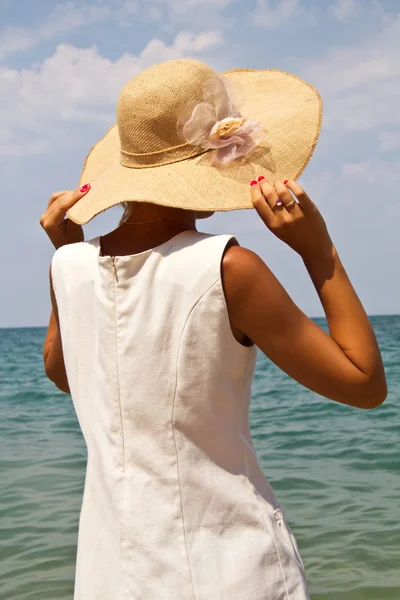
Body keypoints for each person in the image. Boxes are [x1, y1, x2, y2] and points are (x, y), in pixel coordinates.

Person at [40, 58, 387, 600]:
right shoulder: (227, 267)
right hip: (230, 570)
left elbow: (65, 374)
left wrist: (68, 260)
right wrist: (320, 252)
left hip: (110, 576)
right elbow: (364, 383)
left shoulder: (69, 265)